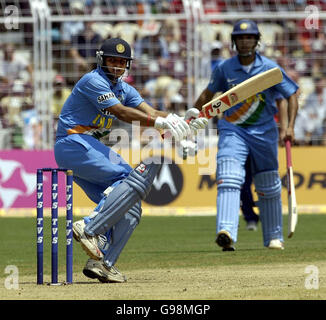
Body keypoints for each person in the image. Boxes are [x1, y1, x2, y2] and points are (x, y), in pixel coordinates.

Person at [54, 38, 207, 283]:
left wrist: (180, 125)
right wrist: (161, 124)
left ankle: (102, 263)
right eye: (112, 60)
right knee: (128, 176)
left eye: (121, 62)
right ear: (101, 60)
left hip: (86, 147)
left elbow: (152, 113)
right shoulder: (93, 80)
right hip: (72, 142)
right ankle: (90, 227)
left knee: (132, 207)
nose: (116, 66)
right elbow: (122, 113)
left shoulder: (125, 89)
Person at [193, 20, 299, 251]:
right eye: (240, 38)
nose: (245, 41)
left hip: (264, 132)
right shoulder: (224, 68)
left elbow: (292, 95)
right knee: (228, 176)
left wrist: (289, 127)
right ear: (234, 41)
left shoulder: (270, 68)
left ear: (256, 40)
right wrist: (190, 119)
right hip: (233, 129)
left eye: (249, 37)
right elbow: (208, 96)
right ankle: (227, 232)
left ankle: (274, 237)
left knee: (269, 185)